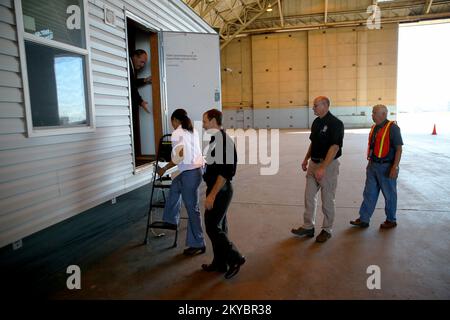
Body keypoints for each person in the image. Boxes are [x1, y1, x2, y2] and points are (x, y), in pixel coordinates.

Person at [291, 96, 344, 243]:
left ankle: (327, 229)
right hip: (314, 164)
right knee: (309, 197)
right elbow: (313, 143)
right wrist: (306, 159)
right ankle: (308, 226)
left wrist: (323, 167)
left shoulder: (336, 123)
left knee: (327, 199)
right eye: (313, 106)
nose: (313, 108)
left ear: (325, 105)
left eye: (315, 106)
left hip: (328, 165)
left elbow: (334, 147)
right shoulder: (316, 122)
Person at [154, 109, 206, 255]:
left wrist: (164, 169)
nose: (172, 125)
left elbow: (180, 156)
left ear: (176, 120)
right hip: (195, 170)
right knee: (175, 186)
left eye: (172, 122)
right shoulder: (192, 130)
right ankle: (171, 219)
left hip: (190, 173)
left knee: (192, 208)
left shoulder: (177, 133)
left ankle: (198, 243)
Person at [201, 109, 245, 279]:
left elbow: (225, 173)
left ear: (213, 121)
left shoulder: (223, 142)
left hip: (220, 190)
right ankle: (220, 263)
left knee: (212, 226)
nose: (203, 125)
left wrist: (211, 195)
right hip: (216, 189)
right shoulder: (215, 140)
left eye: (205, 121)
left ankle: (235, 257)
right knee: (219, 227)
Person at [350, 104, 403, 229]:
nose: (372, 115)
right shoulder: (375, 128)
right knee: (369, 193)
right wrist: (369, 164)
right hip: (373, 166)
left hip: (387, 167)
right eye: (372, 113)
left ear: (384, 114)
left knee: (389, 195)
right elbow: (374, 148)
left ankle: (391, 220)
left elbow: (399, 149)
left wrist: (395, 167)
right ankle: (364, 219)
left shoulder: (393, 128)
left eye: (375, 113)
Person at [129, 49, 151, 157]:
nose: (142, 65)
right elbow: (131, 87)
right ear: (135, 56)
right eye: (142, 62)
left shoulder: (131, 66)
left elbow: (131, 82)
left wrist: (144, 80)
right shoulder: (127, 65)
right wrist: (141, 101)